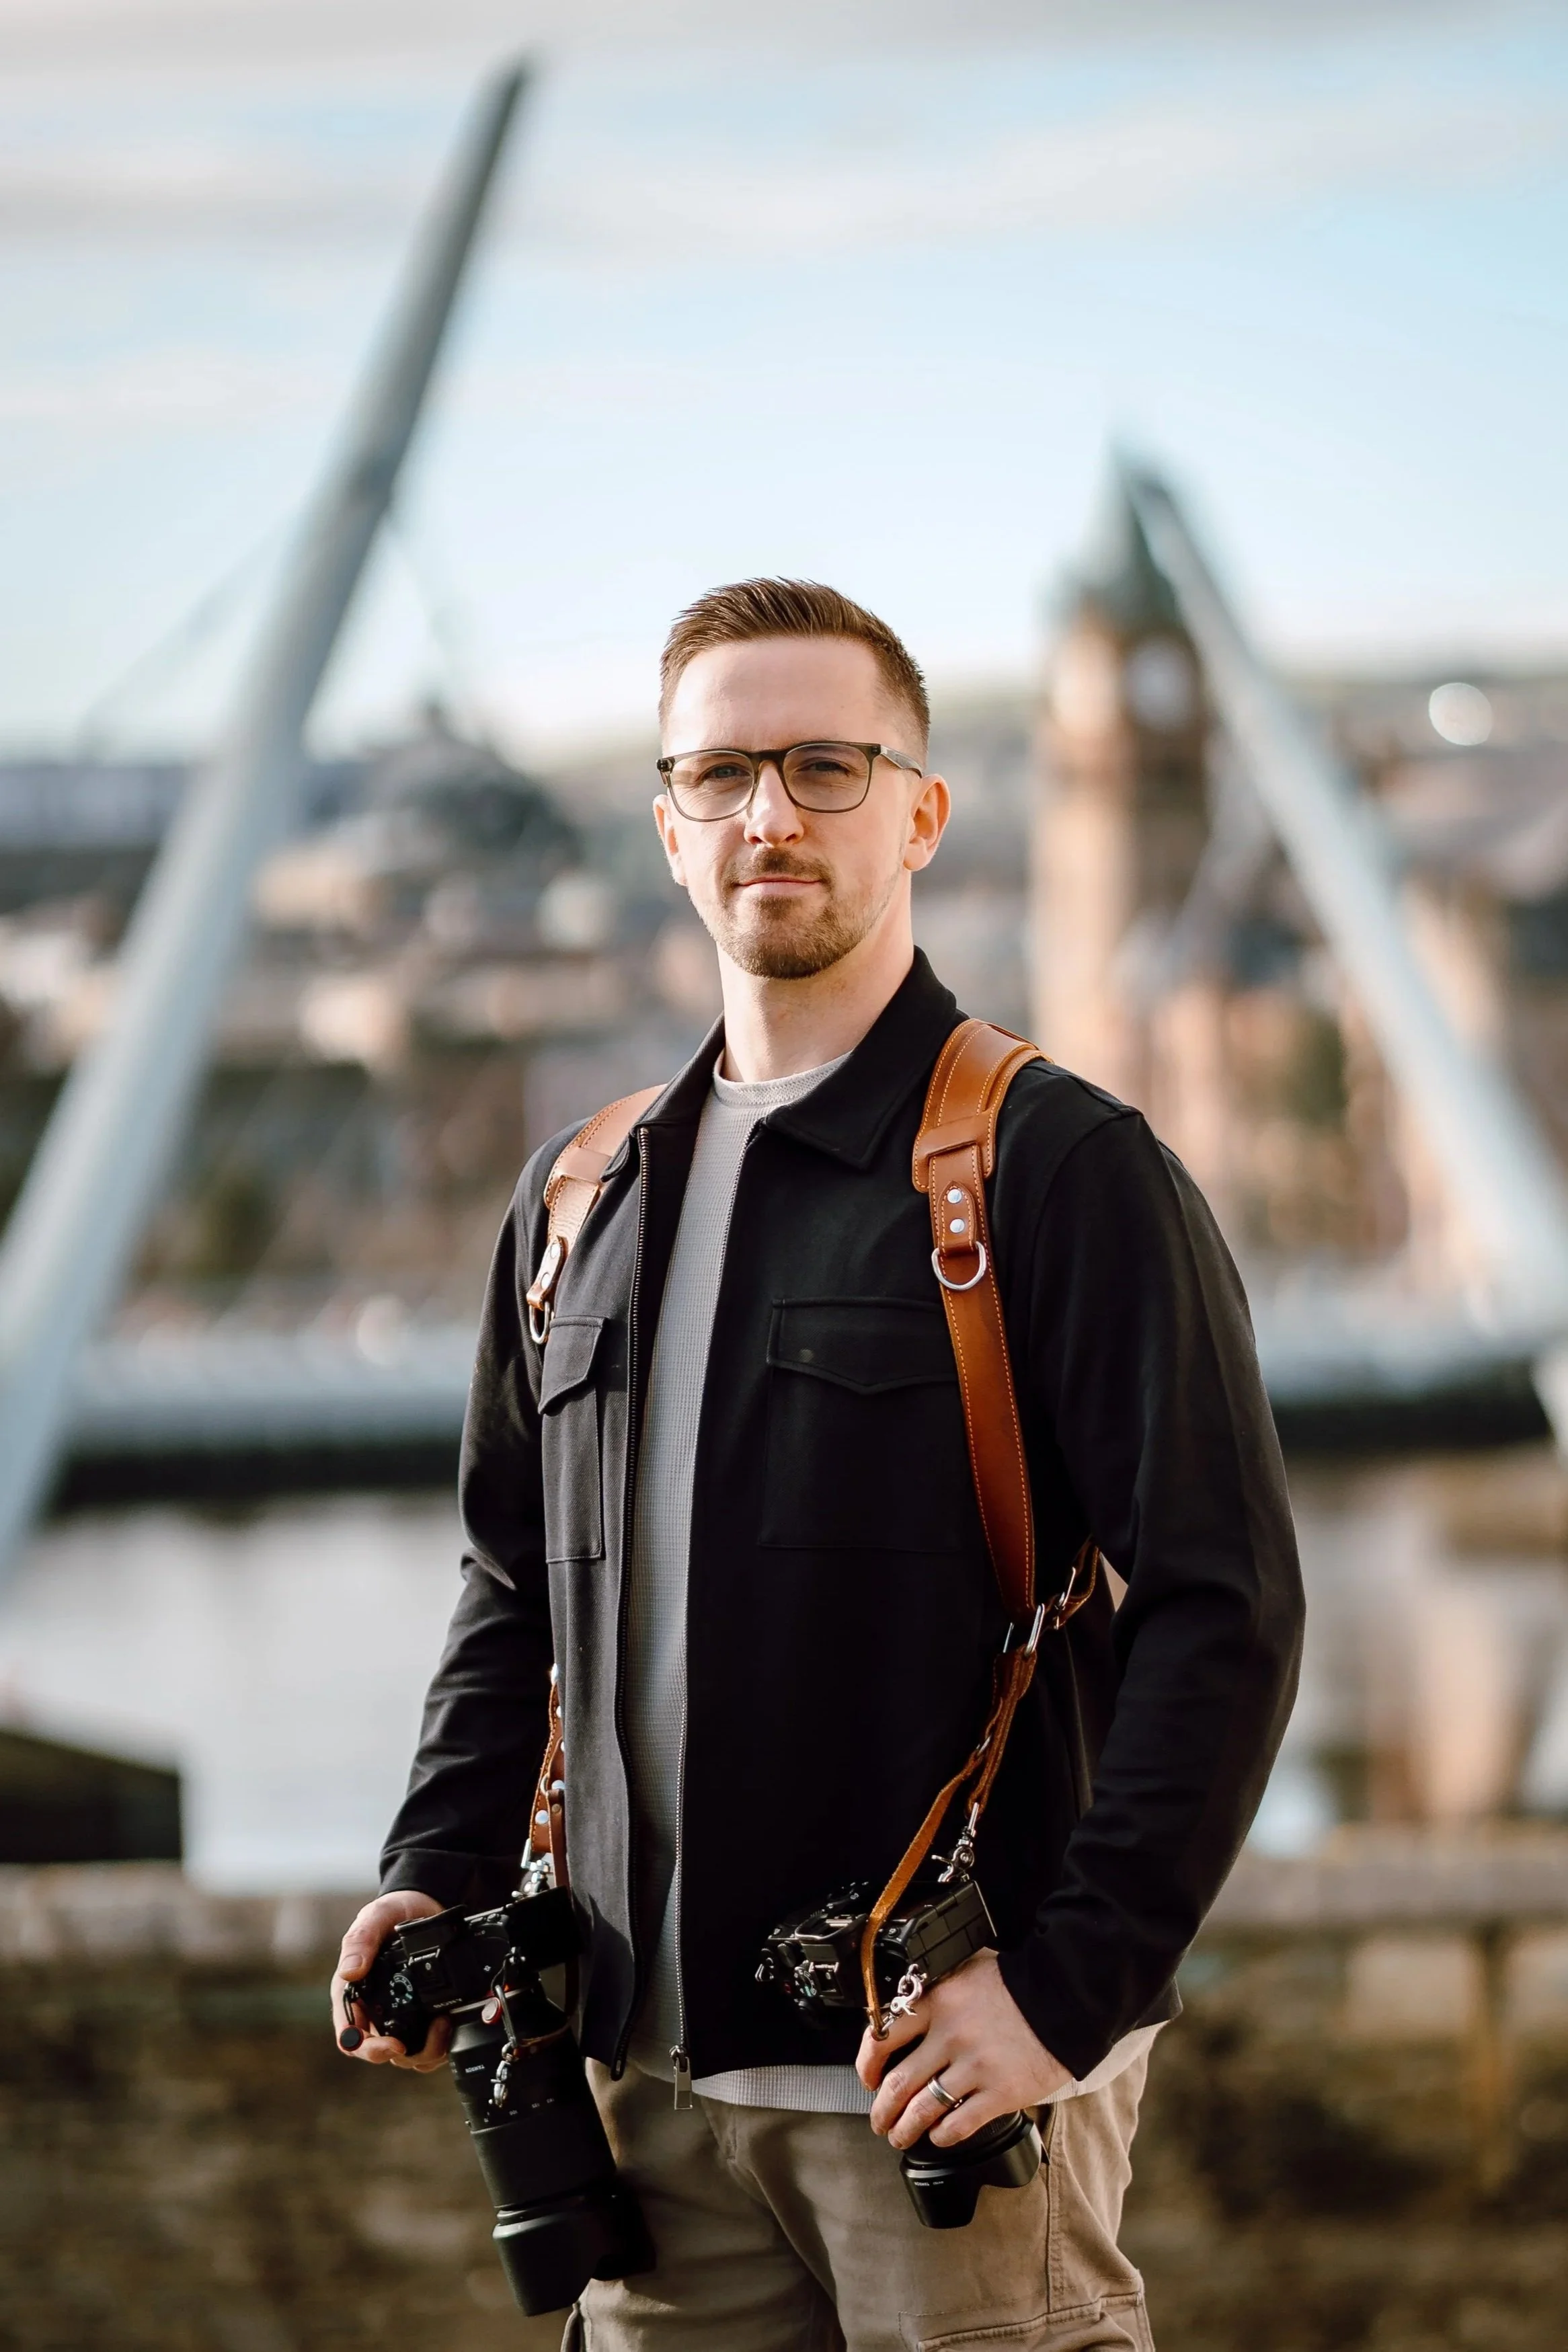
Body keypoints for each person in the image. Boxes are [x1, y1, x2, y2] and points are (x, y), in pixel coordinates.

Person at [331, 578, 1304, 2351]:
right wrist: (436, 1867)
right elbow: (510, 1589)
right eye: (719, 776)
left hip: (936, 2093)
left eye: (826, 766)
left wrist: (1064, 1997)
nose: (769, 814)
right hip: (637, 2083)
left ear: (921, 812)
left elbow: (1223, 1613)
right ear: (665, 828)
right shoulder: (577, 1199)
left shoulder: (1056, 1174)